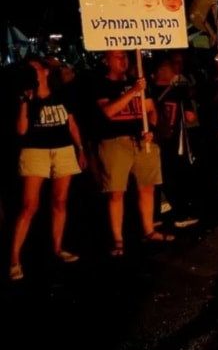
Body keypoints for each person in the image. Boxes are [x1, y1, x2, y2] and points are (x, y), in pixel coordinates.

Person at [9, 57, 88, 281]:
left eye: (35, 69)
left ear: (44, 71)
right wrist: (25, 101)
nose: (33, 73)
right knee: (29, 205)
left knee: (60, 201)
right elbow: (22, 130)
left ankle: (57, 248)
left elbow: (71, 123)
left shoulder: (61, 93)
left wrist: (80, 148)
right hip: (35, 152)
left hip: (62, 149)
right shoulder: (27, 95)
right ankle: (14, 258)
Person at [94, 50, 172, 257]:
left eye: (125, 56)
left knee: (147, 187)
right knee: (116, 191)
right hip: (116, 142)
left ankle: (148, 230)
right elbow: (108, 111)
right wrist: (132, 92)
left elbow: (150, 109)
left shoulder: (138, 83)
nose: (123, 60)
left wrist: (151, 131)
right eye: (117, 56)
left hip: (141, 140)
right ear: (106, 60)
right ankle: (118, 240)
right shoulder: (102, 84)